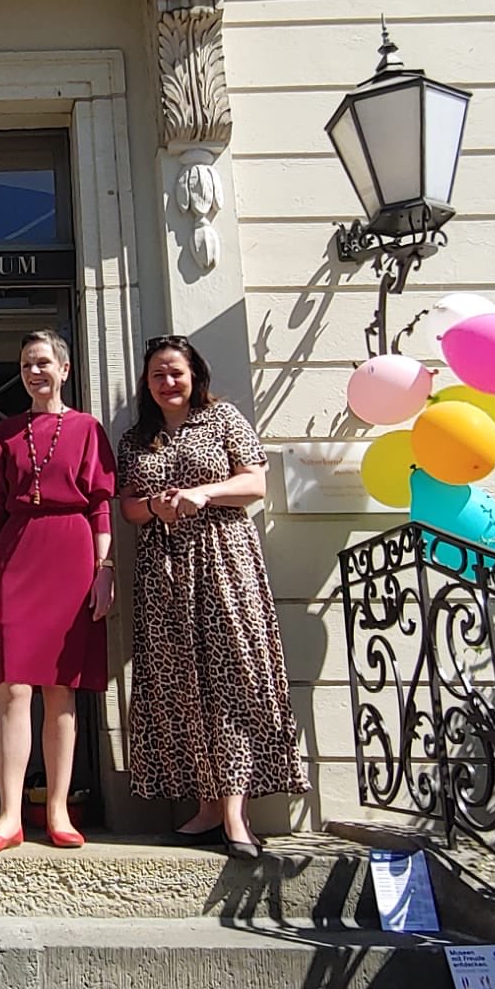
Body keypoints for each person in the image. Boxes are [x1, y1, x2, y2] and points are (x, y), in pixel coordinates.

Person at [115, 335, 306, 859]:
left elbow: (255, 484)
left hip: (224, 560)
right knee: (180, 683)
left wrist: (203, 493)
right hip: (164, 572)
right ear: (146, 384)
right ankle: (204, 805)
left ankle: (235, 812)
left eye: (175, 371)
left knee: (233, 675)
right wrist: (156, 505)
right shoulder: (136, 439)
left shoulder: (223, 419)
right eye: (157, 374)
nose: (167, 382)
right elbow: (127, 507)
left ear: (194, 374)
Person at [0, 330, 115, 851]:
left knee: (61, 688)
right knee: (13, 686)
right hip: (17, 553)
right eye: (27, 364)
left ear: (65, 369)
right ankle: (9, 814)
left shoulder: (87, 429)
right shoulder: (6, 433)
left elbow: (100, 503)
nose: (35, 372)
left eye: (43, 363)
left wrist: (105, 568)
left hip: (72, 553)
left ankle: (57, 810)